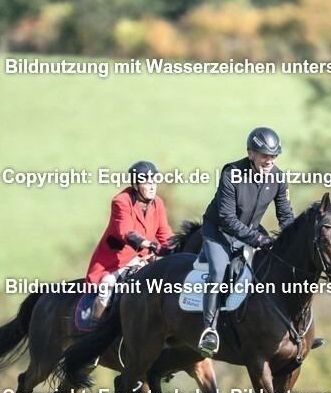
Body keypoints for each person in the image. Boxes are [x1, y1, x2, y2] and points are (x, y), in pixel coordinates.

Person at [197, 127, 295, 356]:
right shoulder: (232, 173)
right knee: (219, 272)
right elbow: (227, 219)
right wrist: (259, 239)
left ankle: (293, 330)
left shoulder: (278, 178)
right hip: (219, 231)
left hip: (249, 231)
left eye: (273, 156)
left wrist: (293, 241)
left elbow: (286, 216)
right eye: (264, 156)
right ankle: (209, 330)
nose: (269, 161)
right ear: (251, 153)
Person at [85, 161, 173, 320]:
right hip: (115, 261)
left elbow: (165, 233)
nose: (152, 186)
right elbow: (126, 232)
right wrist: (152, 245)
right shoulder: (121, 201)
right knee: (107, 286)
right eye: (147, 182)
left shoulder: (158, 203)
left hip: (143, 260)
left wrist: (176, 247)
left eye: (154, 181)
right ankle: (95, 330)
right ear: (135, 184)